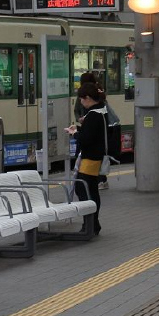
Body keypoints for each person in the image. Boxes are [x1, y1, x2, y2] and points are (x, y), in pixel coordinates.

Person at [68, 81, 108, 235]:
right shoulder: (101, 111)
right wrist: (79, 128)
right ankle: (93, 224)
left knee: (84, 190)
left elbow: (87, 139)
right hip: (96, 157)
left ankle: (90, 224)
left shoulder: (93, 115)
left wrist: (75, 133)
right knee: (91, 190)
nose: (81, 101)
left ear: (88, 98)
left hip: (90, 159)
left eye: (82, 98)